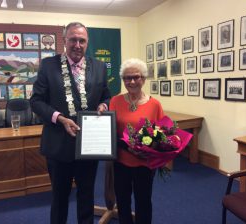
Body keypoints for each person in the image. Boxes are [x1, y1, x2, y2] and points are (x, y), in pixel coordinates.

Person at [30, 22, 111, 224]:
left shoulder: (99, 67)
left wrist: (103, 105)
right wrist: (59, 118)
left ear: (87, 43)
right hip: (58, 145)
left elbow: (107, 97)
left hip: (89, 145)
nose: (77, 44)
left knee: (87, 196)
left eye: (81, 40)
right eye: (73, 39)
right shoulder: (48, 66)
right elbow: (36, 101)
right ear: (64, 41)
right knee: (59, 197)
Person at [109, 58, 164, 224]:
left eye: (136, 77)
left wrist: (152, 145)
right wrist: (126, 146)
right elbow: (110, 132)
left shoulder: (155, 104)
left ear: (144, 79)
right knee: (123, 201)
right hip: (121, 161)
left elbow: (161, 134)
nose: (131, 81)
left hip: (144, 164)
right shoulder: (115, 101)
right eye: (127, 78)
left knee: (143, 201)